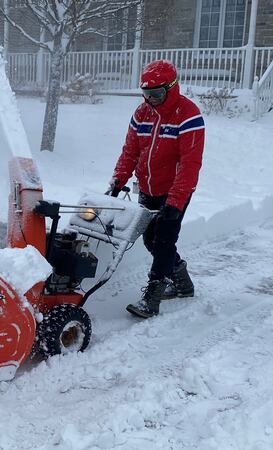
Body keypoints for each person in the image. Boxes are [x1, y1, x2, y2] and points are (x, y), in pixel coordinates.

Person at [108, 60, 205, 319]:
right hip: (148, 188)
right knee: (150, 239)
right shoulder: (142, 114)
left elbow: (190, 164)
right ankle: (182, 283)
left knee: (163, 239)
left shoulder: (188, 115)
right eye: (146, 94)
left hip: (176, 190)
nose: (151, 100)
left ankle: (152, 297)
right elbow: (130, 151)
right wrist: (118, 181)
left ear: (172, 88)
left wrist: (175, 203)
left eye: (157, 95)